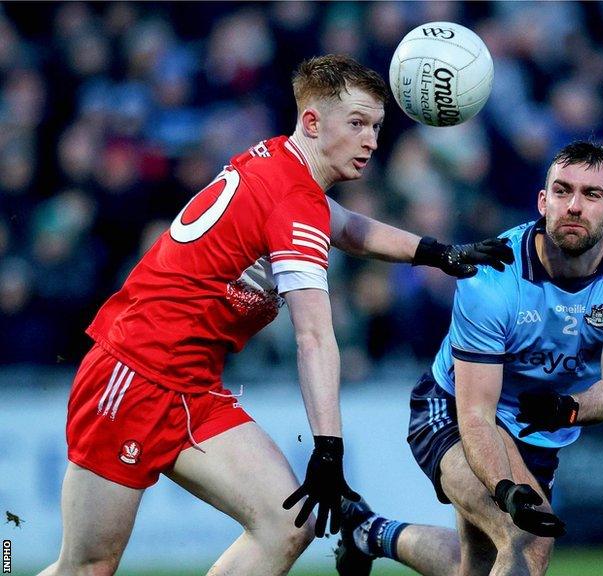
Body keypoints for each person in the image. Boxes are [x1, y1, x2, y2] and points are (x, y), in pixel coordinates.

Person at [39, 54, 513, 576]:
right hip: (132, 374)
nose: (372, 141)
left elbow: (346, 225)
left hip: (190, 384)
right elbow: (313, 336)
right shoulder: (293, 202)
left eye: (376, 127)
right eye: (356, 124)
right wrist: (329, 450)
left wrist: (436, 253)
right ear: (312, 121)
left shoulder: (279, 164)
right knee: (87, 567)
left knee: (285, 524)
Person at [332, 141, 603, 576]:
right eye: (563, 191)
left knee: (476, 566)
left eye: (591, 195)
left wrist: (569, 409)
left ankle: (371, 532)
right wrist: (506, 489)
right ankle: (386, 529)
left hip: (539, 429)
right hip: (454, 409)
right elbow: (476, 414)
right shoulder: (493, 275)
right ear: (542, 201)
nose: (573, 206)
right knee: (525, 535)